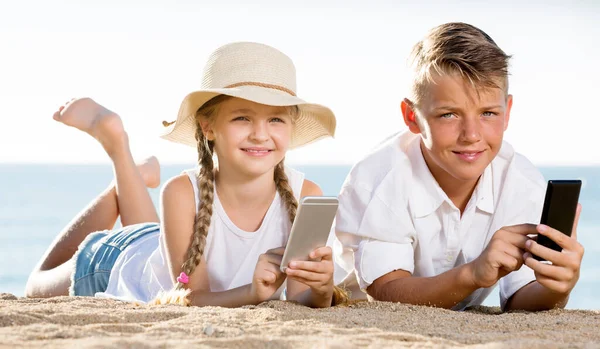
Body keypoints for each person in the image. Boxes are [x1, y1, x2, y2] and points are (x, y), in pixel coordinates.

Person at [26, 42, 346, 308]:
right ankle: (117, 153)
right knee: (35, 285)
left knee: (152, 234)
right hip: (115, 261)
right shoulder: (179, 193)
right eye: (242, 118)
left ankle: (131, 175)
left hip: (160, 247)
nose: (261, 135)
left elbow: (300, 299)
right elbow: (193, 297)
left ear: (291, 127)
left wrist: (321, 289)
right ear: (208, 127)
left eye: (275, 119)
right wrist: (252, 293)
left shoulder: (307, 196)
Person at [334, 22, 584, 311]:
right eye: (449, 115)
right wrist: (473, 273)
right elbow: (385, 292)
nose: (471, 135)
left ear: (507, 112)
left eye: (488, 113)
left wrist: (556, 286)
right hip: (350, 305)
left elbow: (520, 301)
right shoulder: (377, 179)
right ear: (412, 117)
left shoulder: (521, 184)